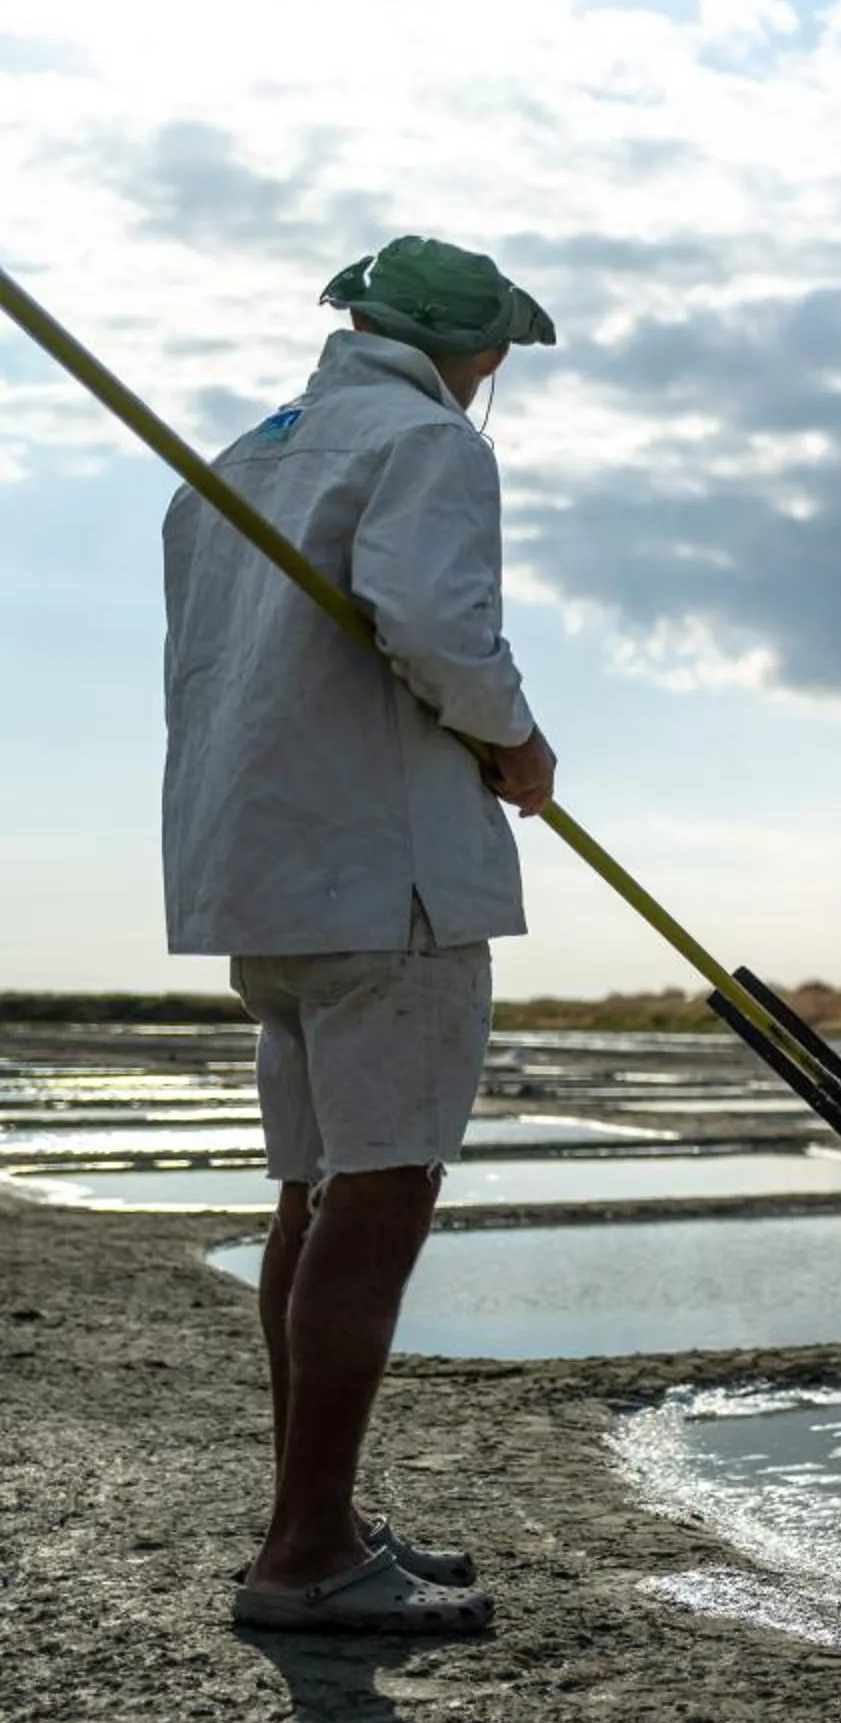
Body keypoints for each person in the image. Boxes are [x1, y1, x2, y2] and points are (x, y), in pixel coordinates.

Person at [165, 236, 560, 1634]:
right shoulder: (428, 440)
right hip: (383, 869)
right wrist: (516, 740)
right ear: (478, 347)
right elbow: (438, 624)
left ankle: (311, 1520)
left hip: (260, 868)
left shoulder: (238, 458)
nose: (495, 371)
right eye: (499, 348)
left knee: (312, 1191)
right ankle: (308, 1552)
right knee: (380, 1193)